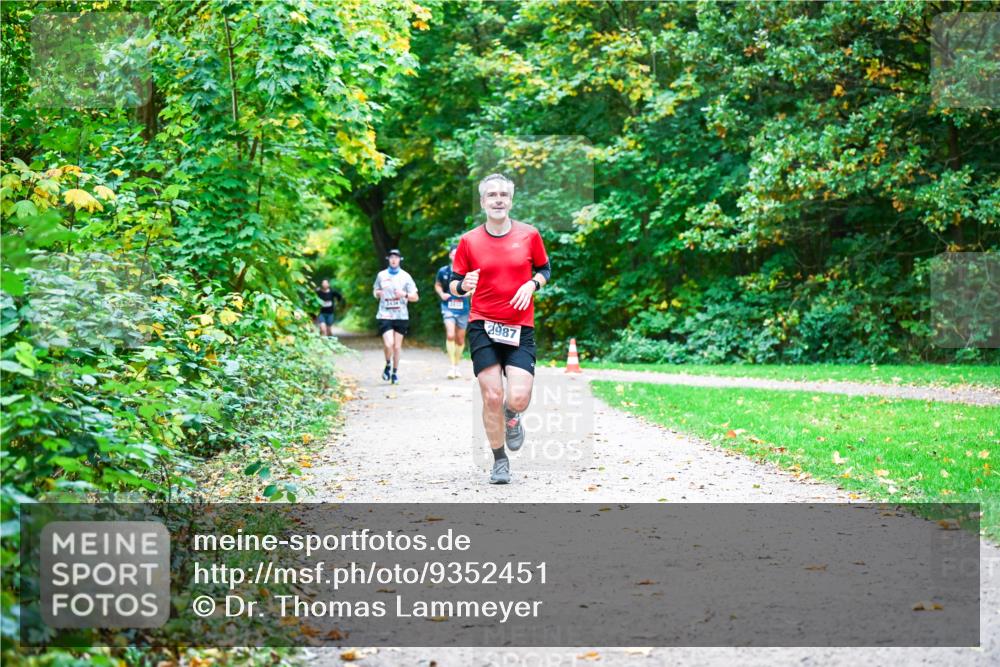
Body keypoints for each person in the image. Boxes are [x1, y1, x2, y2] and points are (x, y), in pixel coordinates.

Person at [449, 174, 550, 484]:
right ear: (482, 202)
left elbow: (544, 269)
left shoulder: (529, 235)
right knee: (492, 395)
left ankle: (512, 416)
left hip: (520, 325)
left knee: (517, 398)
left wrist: (532, 284)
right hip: (482, 325)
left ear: (510, 200)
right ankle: (499, 460)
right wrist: (462, 285)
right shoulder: (469, 240)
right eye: (491, 195)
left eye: (503, 195)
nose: (497, 199)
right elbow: (453, 284)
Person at [373, 249, 418, 384]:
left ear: (400, 259)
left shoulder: (406, 276)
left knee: (397, 347)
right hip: (385, 314)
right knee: (389, 344)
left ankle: (394, 372)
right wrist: (377, 294)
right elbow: (375, 291)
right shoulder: (381, 275)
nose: (393, 260)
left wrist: (404, 295)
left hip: (401, 315)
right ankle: (387, 363)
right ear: (388, 259)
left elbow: (415, 297)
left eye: (396, 257)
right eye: (391, 257)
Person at [434, 244, 471, 379]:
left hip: (463, 308)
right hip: (448, 306)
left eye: (457, 254)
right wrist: (442, 294)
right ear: (450, 255)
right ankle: (452, 366)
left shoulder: (467, 271)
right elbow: (437, 285)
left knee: (460, 339)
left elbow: (475, 286)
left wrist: (468, 293)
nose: (455, 256)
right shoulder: (443, 271)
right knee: (450, 335)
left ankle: (457, 365)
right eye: (453, 254)